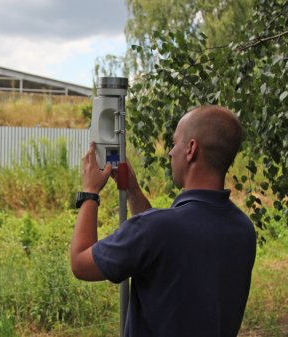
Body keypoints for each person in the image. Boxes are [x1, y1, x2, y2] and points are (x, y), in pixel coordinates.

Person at [70, 105, 256, 336]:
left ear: (191, 149)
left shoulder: (155, 229)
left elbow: (80, 263)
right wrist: (134, 191)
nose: (169, 152)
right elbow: (164, 249)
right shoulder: (244, 229)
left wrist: (90, 193)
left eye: (175, 143)